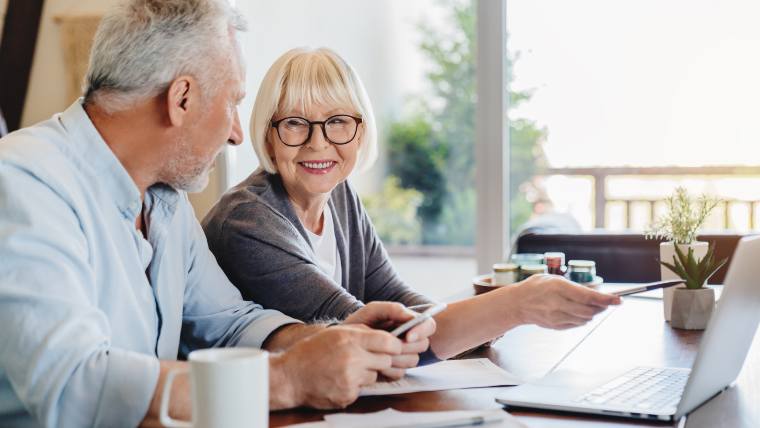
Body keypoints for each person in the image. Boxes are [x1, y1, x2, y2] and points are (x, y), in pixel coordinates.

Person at [0, 3, 435, 427]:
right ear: (182, 99)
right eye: (233, 102)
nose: (235, 133)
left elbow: (227, 322)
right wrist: (285, 378)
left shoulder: (165, 202)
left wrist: (327, 340)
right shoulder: (23, 183)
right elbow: (74, 383)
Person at [202, 47, 621, 362]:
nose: (318, 143)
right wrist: (514, 305)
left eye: (338, 122)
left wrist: (476, 325)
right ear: (268, 133)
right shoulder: (248, 221)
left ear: (360, 131)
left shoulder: (340, 197)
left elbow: (396, 297)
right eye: (294, 123)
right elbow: (372, 336)